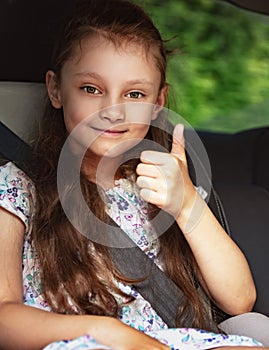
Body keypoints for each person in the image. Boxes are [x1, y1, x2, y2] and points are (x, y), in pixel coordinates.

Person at [0, 0, 268, 349]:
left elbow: (240, 300)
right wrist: (110, 333)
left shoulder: (160, 184)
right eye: (91, 89)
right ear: (55, 90)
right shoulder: (17, 186)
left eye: (134, 94)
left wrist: (187, 205)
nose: (112, 111)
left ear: (157, 103)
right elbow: (4, 318)